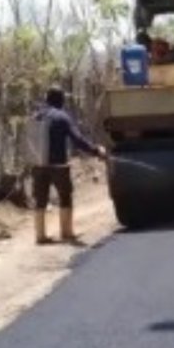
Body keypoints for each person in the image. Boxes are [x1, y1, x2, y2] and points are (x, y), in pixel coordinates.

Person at [29, 85, 107, 245]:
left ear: (47, 99)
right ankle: (66, 232)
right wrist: (95, 150)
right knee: (65, 196)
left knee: (40, 199)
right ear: (61, 100)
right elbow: (77, 140)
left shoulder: (36, 116)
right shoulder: (62, 117)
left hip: (38, 165)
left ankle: (40, 235)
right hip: (59, 166)